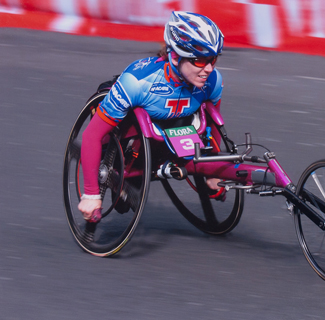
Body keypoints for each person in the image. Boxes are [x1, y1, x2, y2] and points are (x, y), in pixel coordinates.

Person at [78, 11, 225, 222]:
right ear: (175, 57)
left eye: (213, 59)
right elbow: (91, 136)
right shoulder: (137, 82)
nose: (209, 69)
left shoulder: (213, 81)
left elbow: (213, 125)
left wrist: (213, 169)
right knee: (122, 205)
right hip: (132, 142)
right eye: (200, 61)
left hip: (172, 131)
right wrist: (91, 193)